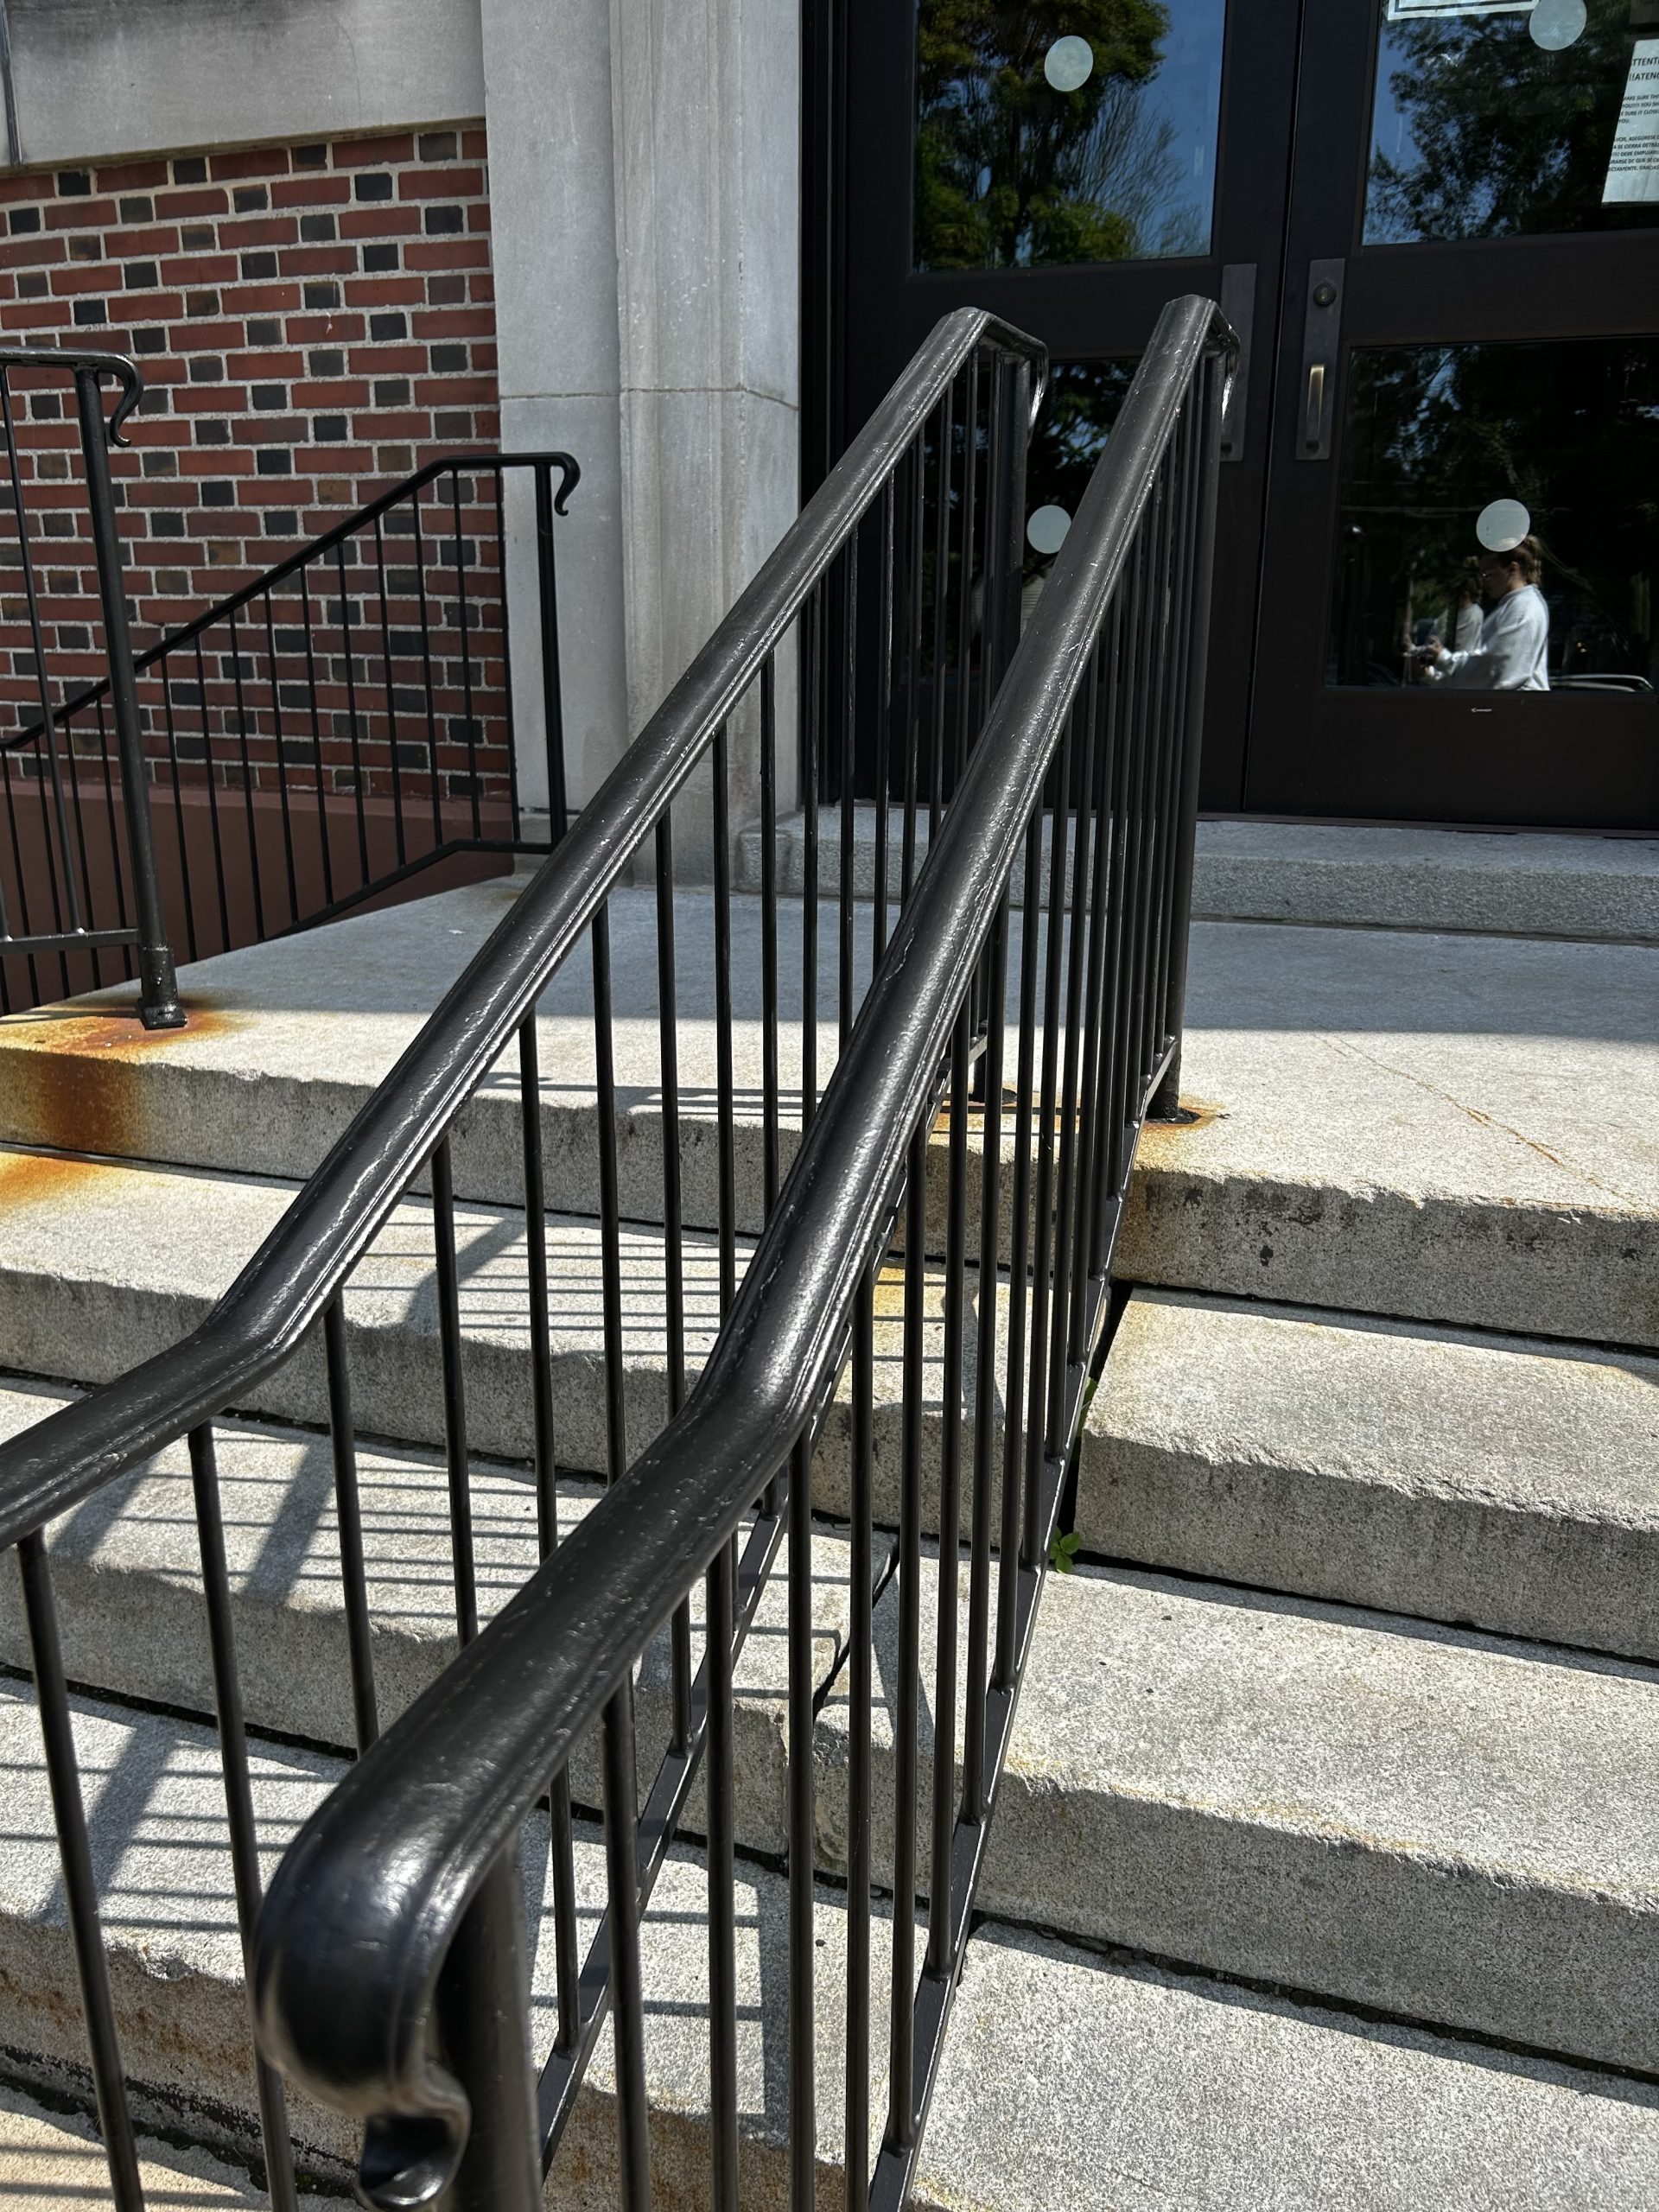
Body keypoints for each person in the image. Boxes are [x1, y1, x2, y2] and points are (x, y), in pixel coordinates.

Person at [1418, 537, 1549, 690]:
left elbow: (1495, 668)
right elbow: (1485, 663)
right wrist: (1433, 675)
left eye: (1488, 574)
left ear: (1512, 569)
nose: (1483, 581)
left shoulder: (1523, 607)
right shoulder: (1513, 605)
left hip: (1518, 703)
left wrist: (1445, 659)